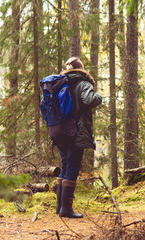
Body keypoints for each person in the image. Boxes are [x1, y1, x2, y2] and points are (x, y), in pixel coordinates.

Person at [55, 57, 102, 218]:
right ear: (80, 68)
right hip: (76, 131)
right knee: (72, 167)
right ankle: (66, 209)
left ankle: (60, 207)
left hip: (60, 131)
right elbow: (89, 99)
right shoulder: (83, 83)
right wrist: (99, 97)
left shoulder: (60, 83)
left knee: (65, 164)